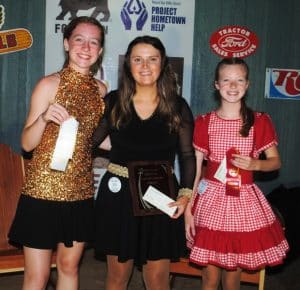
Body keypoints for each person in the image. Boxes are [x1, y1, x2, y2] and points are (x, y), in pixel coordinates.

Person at [8, 16, 106, 290]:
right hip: (41, 194)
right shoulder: (48, 84)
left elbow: (98, 140)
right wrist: (43, 119)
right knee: (36, 278)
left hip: (80, 194)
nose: (86, 47)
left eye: (93, 42)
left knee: (68, 267)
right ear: (66, 44)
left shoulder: (101, 91)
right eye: (79, 39)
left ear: (99, 51)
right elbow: (27, 144)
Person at [92, 35, 195, 290]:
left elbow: (187, 155)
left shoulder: (177, 106)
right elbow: (88, 142)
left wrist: (185, 195)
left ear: (163, 64)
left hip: (160, 197)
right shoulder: (113, 102)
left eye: (152, 59)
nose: (145, 66)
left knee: (158, 279)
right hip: (118, 196)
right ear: (128, 64)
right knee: (117, 277)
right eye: (138, 59)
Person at [185, 57, 289, 290]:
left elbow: (275, 162)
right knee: (209, 277)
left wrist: (255, 164)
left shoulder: (259, 122)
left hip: (243, 202)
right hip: (210, 200)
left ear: (248, 84)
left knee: (233, 277)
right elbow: (195, 172)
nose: (233, 86)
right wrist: (189, 210)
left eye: (239, 80)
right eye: (226, 80)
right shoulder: (204, 123)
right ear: (216, 85)